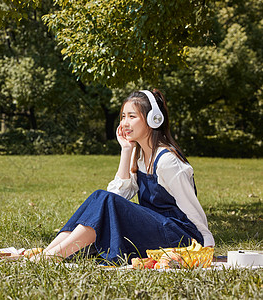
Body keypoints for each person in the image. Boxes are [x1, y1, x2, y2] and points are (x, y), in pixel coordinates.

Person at [31, 89, 215, 263]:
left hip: (179, 238)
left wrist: (206, 246)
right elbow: (117, 196)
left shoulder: (168, 161)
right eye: (123, 117)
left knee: (103, 199)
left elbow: (193, 211)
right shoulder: (140, 155)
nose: (124, 123)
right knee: (98, 196)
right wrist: (126, 151)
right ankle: (48, 253)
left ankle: (50, 258)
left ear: (154, 120)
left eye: (132, 116)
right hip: (155, 230)